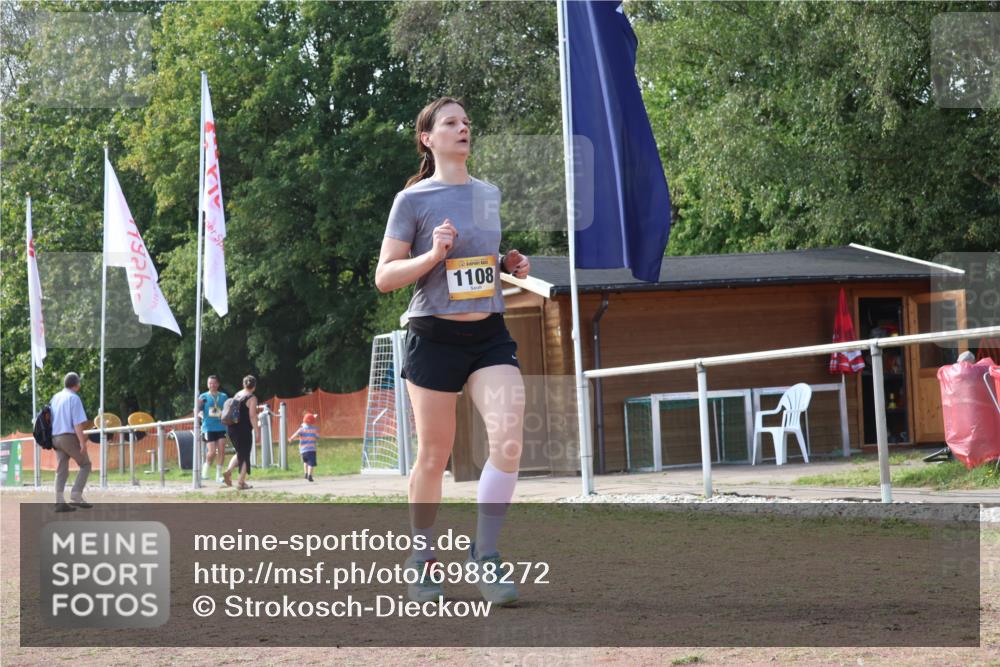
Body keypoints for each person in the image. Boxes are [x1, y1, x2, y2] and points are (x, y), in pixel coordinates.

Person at [375, 97, 531, 606]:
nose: (463, 127)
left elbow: (483, 264)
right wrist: (433, 254)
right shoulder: (412, 201)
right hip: (433, 335)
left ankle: (485, 555)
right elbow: (385, 278)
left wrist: (509, 263)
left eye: (466, 121)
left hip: (488, 334)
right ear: (429, 138)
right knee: (434, 454)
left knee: (508, 439)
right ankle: (420, 557)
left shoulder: (489, 193)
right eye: (451, 123)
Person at [49, 372, 93, 511]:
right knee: (85, 464)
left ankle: (59, 501)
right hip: (68, 436)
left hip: (54, 437)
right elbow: (77, 424)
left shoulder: (55, 397)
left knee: (61, 469)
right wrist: (82, 442)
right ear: (77, 385)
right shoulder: (74, 398)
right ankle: (76, 495)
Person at [222, 375, 261, 491]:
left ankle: (228, 472)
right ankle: (241, 482)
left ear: (244, 384)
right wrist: (257, 432)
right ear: (254, 386)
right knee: (245, 456)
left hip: (232, 428)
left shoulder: (238, 394)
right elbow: (252, 416)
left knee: (240, 452)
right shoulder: (252, 398)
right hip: (243, 429)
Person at [198, 375, 229, 484]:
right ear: (207, 384)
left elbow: (227, 409)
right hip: (208, 427)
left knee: (222, 450)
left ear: (218, 384)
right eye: (210, 383)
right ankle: (204, 471)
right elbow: (197, 410)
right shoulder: (203, 396)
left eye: (214, 383)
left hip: (221, 426)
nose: (212, 385)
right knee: (211, 452)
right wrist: (199, 410)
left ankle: (218, 476)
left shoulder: (224, 396)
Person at [289, 412, 319, 482]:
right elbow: (317, 436)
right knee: (311, 463)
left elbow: (296, 434)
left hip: (303, 450)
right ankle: (310, 476)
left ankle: (305, 473)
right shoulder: (314, 429)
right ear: (312, 421)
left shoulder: (301, 429)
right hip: (311, 449)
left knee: (305, 461)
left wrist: (291, 438)